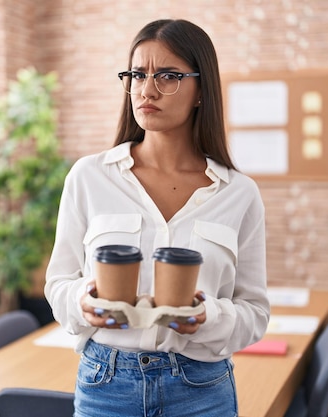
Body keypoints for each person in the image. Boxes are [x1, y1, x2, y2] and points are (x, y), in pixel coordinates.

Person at [45, 19, 269, 417]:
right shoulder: (89, 176)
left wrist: (207, 317)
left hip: (201, 389)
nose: (147, 90)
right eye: (137, 74)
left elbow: (254, 312)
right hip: (106, 386)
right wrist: (83, 303)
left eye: (168, 76)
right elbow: (58, 283)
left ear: (202, 90)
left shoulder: (239, 193)